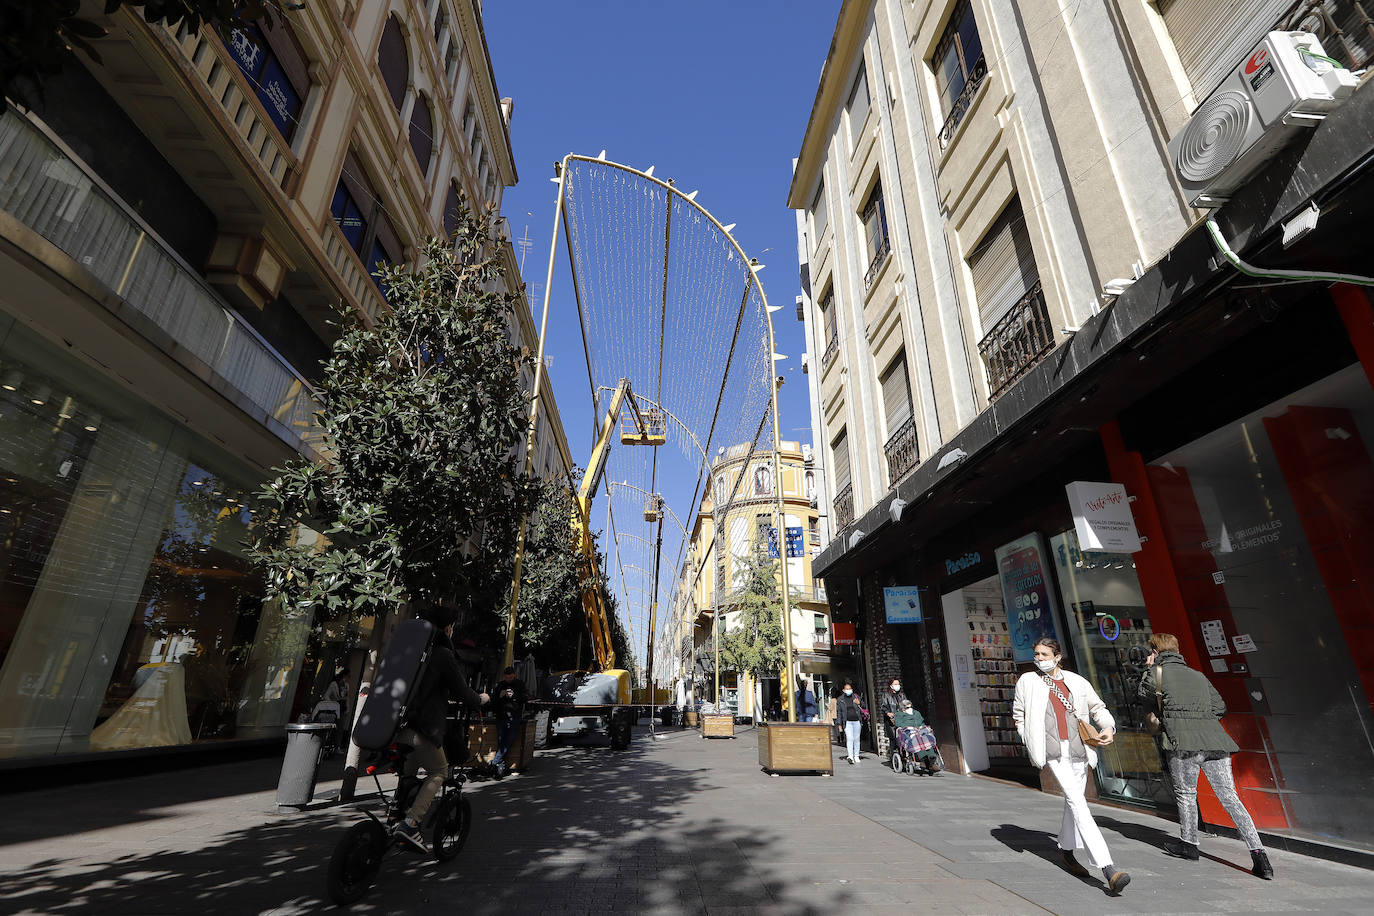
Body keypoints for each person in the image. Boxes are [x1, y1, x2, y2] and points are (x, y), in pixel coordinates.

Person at [1138, 633, 1272, 879]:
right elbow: (1220, 707)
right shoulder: (1198, 676)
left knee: (1186, 794)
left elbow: (1143, 696)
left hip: (1183, 744)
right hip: (1215, 743)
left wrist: (1149, 669)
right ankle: (1259, 855)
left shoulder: (1156, 674)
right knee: (1230, 797)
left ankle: (1189, 845)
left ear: (1155, 651)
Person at [1013, 637, 1130, 895]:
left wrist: (1108, 727)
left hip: (1079, 750)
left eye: (1044, 654)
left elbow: (1097, 707)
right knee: (1079, 803)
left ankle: (1066, 851)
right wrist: (1030, 739)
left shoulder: (1076, 681)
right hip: (1053, 753)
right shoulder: (1028, 681)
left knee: (1072, 802)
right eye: (1037, 654)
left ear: (1057, 657)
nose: (1039, 659)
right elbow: (1019, 714)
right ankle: (1108, 868)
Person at [392, 607, 488, 851]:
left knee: (408, 773)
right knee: (439, 771)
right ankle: (411, 823)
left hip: (398, 726)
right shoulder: (442, 654)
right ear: (447, 628)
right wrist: (481, 699)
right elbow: (462, 691)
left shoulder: (409, 650)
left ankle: (394, 814)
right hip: (423, 728)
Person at [490, 665, 527, 779]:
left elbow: (525, 698)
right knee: (501, 740)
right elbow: (493, 700)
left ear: (514, 675)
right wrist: (499, 696)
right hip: (501, 716)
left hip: (514, 716)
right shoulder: (500, 685)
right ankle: (499, 766)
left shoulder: (520, 684)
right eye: (507, 677)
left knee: (509, 739)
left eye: (511, 677)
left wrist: (514, 696)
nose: (509, 680)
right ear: (504, 676)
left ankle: (495, 762)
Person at [893, 697, 941, 774]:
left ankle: (932, 760)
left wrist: (921, 727)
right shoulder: (899, 714)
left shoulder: (916, 713)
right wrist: (910, 726)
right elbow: (898, 724)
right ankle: (923, 760)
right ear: (903, 709)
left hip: (919, 729)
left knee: (927, 737)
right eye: (908, 707)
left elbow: (922, 722)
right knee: (916, 739)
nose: (910, 708)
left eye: (910, 706)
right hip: (909, 730)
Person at [836, 680, 864, 764]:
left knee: (856, 739)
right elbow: (839, 712)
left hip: (857, 721)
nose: (848, 690)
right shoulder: (840, 699)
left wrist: (859, 703)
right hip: (847, 722)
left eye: (850, 688)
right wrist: (839, 724)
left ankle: (856, 755)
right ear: (843, 690)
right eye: (847, 689)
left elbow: (864, 706)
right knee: (850, 738)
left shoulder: (856, 697)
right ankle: (850, 756)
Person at [878, 676, 909, 754]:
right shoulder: (886, 695)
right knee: (894, 740)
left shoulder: (901, 695)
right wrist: (888, 713)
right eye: (895, 684)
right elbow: (883, 706)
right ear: (891, 685)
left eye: (898, 684)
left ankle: (904, 756)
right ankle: (894, 756)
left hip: (902, 720)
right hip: (891, 722)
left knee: (903, 738)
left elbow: (906, 704)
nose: (897, 686)